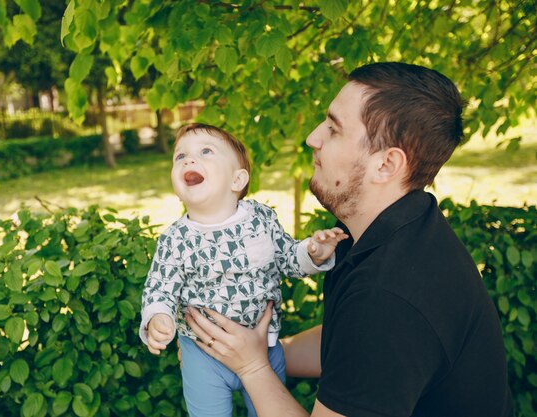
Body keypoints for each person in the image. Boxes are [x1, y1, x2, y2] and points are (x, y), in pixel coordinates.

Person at [185, 62, 514, 417]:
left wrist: (253, 368)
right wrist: (249, 349)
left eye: (334, 128)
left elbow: (375, 326)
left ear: (386, 165)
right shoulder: (398, 227)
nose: (313, 137)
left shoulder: (389, 297)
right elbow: (353, 344)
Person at [139, 123, 348, 417]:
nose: (189, 160)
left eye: (206, 151)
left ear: (238, 179)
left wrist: (311, 252)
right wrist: (158, 317)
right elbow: (159, 287)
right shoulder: (176, 238)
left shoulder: (260, 219)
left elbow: (287, 257)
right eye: (180, 156)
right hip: (204, 355)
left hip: (266, 345)